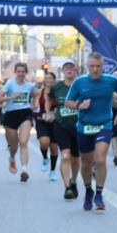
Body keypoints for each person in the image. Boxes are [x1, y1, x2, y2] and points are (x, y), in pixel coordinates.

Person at [65, 52, 117, 211]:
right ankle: (88, 190)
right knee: (85, 163)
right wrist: (79, 106)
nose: (95, 69)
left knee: (100, 159)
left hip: (104, 124)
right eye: (92, 66)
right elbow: (68, 102)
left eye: (98, 66)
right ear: (87, 66)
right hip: (84, 126)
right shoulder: (79, 82)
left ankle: (99, 193)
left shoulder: (111, 80)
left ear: (103, 66)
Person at [0, 62, 39, 182]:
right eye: (18, 71)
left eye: (23, 71)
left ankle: (24, 170)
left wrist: (34, 103)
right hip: (11, 115)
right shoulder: (10, 84)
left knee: (23, 142)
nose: (21, 74)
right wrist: (10, 97)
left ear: (26, 73)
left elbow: (36, 94)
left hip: (25, 114)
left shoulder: (29, 86)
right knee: (14, 146)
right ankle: (12, 158)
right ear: (15, 72)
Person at [50, 61, 81, 199]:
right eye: (66, 68)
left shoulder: (81, 85)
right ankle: (67, 187)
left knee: (75, 158)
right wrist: (49, 111)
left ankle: (74, 181)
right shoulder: (57, 87)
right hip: (61, 125)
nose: (69, 70)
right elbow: (48, 97)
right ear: (62, 71)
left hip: (79, 126)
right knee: (66, 155)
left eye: (71, 68)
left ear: (76, 71)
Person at [35, 71, 59, 181]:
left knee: (54, 148)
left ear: (54, 80)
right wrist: (33, 106)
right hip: (42, 120)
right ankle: (45, 158)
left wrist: (54, 114)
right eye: (47, 78)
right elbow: (34, 105)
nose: (48, 80)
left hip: (55, 122)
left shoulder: (58, 92)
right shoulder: (39, 92)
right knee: (44, 142)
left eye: (51, 78)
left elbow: (62, 105)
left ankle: (53, 171)